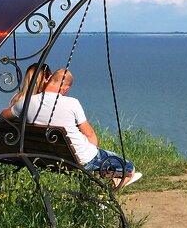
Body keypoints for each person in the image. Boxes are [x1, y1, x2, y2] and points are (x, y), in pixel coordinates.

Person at [9, 68, 141, 188]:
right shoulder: (72, 103)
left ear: (49, 80)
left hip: (46, 156)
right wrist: (92, 153)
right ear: (65, 89)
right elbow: (90, 135)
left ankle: (105, 185)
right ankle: (106, 195)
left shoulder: (26, 103)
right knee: (129, 169)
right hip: (80, 159)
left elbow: (4, 115)